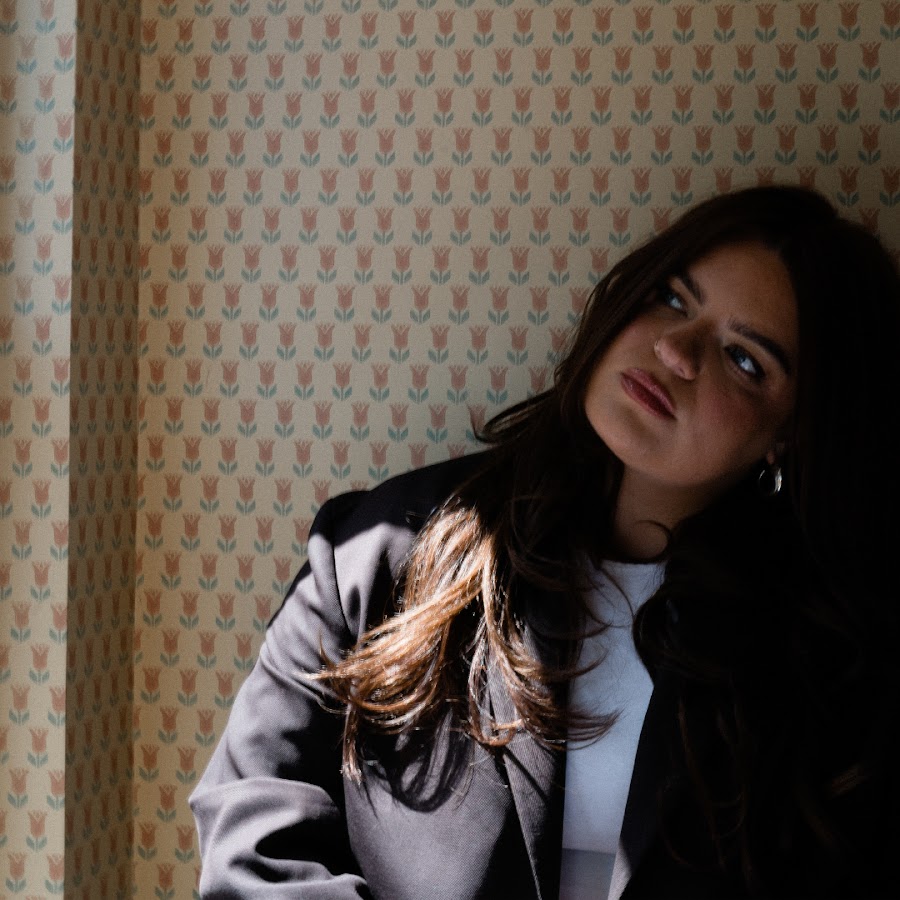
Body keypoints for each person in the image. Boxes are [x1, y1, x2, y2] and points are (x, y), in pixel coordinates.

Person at [190, 185, 900, 899]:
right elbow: (251, 837)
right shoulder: (378, 552)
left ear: (791, 433)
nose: (675, 351)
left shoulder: (831, 669)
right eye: (671, 298)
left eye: (744, 359)